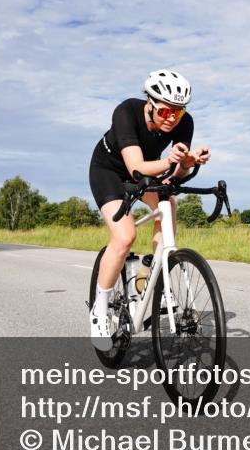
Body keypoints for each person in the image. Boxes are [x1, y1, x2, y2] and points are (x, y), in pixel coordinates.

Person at [87, 70, 210, 349]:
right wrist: (171, 161)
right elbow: (137, 167)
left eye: (177, 114)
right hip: (110, 171)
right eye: (165, 111)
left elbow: (175, 173)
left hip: (148, 170)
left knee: (169, 202)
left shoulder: (183, 122)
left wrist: (189, 162)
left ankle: (156, 271)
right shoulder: (126, 112)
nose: (171, 118)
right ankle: (99, 310)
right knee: (124, 236)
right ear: (150, 103)